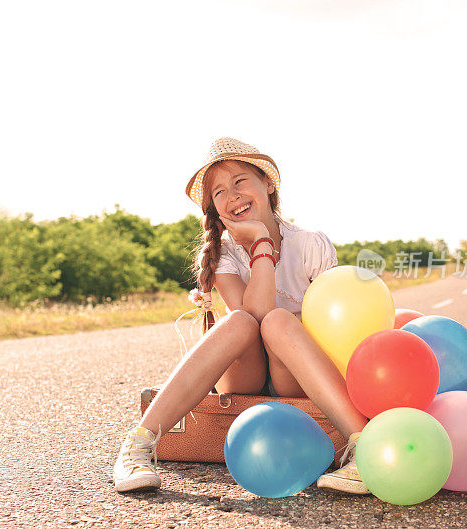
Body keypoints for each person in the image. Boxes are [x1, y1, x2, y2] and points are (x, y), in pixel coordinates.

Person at [112, 137, 370, 495]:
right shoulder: (223, 255)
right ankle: (137, 445)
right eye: (219, 191)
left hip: (294, 375)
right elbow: (254, 314)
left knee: (280, 322)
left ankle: (364, 448)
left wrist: (263, 239)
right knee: (240, 321)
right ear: (213, 207)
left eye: (240, 181)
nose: (232, 195)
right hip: (245, 375)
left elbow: (319, 325)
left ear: (267, 183)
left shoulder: (311, 243)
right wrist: (261, 245)